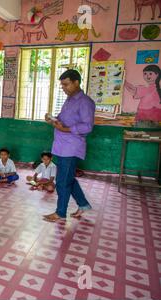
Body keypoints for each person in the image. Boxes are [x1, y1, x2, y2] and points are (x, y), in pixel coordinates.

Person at [43, 69, 94, 222]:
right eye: (62, 85)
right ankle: (83, 205)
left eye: (66, 84)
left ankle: (60, 213)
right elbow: (64, 118)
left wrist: (66, 129)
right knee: (68, 178)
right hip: (62, 145)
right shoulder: (70, 99)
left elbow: (87, 126)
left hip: (71, 147)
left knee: (62, 182)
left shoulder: (85, 101)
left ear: (76, 82)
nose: (64, 88)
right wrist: (52, 119)